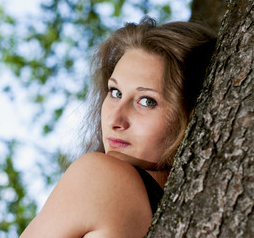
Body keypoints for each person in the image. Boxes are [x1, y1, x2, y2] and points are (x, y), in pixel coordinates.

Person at [20, 17, 216, 238]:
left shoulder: (101, 175)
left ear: (194, 112)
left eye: (147, 101)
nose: (115, 120)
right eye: (115, 92)